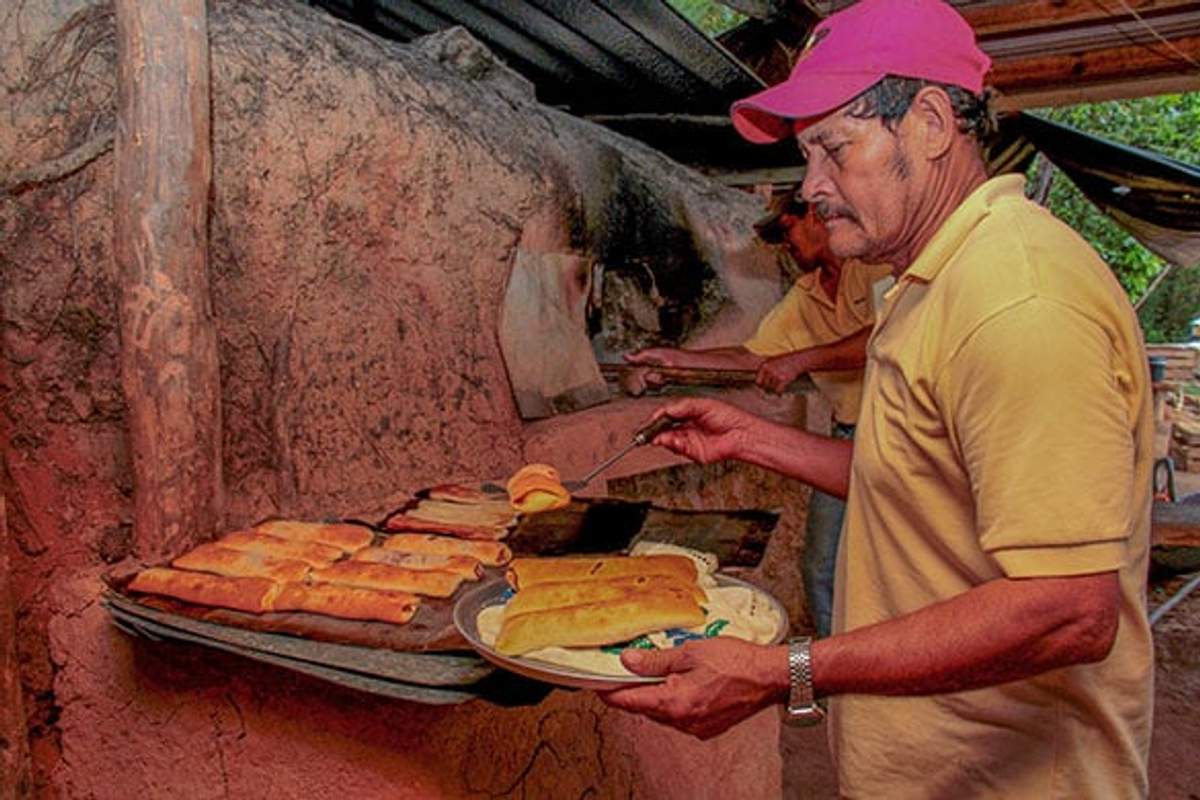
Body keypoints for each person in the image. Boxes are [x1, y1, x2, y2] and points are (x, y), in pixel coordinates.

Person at [602, 0, 1154, 796]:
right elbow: (924, 483)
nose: (813, 189)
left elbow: (1069, 608)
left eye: (834, 148)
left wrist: (782, 671)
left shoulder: (1016, 299)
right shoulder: (933, 280)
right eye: (806, 155)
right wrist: (750, 440)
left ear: (930, 123)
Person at [624, 194, 892, 637]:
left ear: (815, 215)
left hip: (898, 433)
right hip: (846, 438)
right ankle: (835, 679)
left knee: (890, 566)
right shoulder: (805, 297)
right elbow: (752, 356)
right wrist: (675, 360)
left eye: (786, 231)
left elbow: (886, 334)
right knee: (822, 566)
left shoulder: (874, 268)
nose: (785, 246)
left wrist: (802, 360)